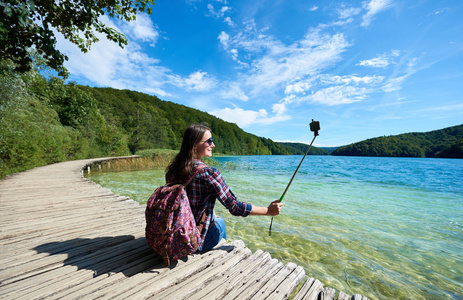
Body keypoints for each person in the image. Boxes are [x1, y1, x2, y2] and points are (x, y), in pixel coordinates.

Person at [165, 123, 283, 252]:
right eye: (209, 141)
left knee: (214, 217)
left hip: (172, 232)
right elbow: (235, 207)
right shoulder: (208, 173)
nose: (213, 145)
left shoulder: (173, 168)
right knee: (220, 224)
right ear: (194, 145)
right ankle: (216, 255)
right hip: (192, 238)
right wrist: (268, 211)